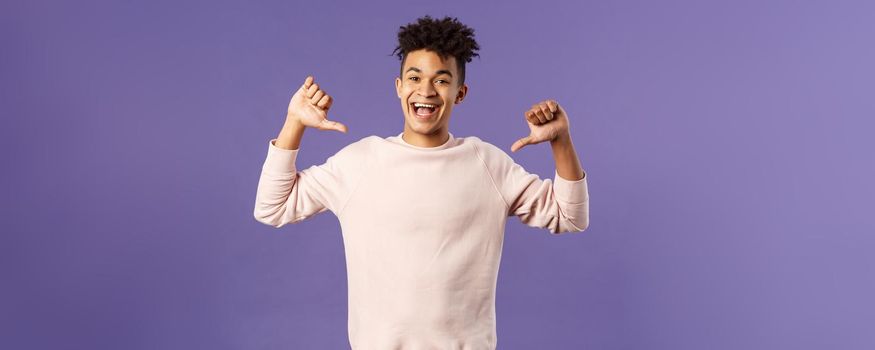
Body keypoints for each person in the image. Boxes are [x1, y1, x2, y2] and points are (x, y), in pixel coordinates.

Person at [254, 15, 589, 350]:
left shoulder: (487, 164)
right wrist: (294, 123)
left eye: (442, 81)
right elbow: (273, 207)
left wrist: (561, 140)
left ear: (461, 93)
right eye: (414, 77)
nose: (425, 90)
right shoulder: (360, 161)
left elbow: (570, 216)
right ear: (399, 86)